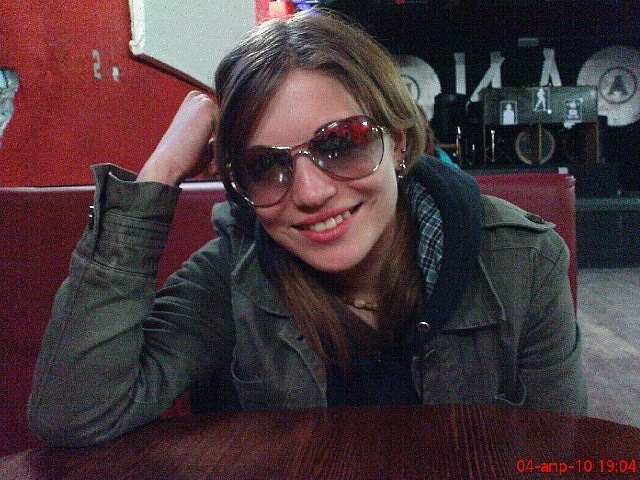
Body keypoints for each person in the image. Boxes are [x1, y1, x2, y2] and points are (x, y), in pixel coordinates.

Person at [27, 9, 586, 447]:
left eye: (341, 143)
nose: (311, 193)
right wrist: (159, 175)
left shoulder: (522, 264)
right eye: (264, 166)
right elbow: (74, 414)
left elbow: (557, 454)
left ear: (397, 143)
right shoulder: (231, 276)